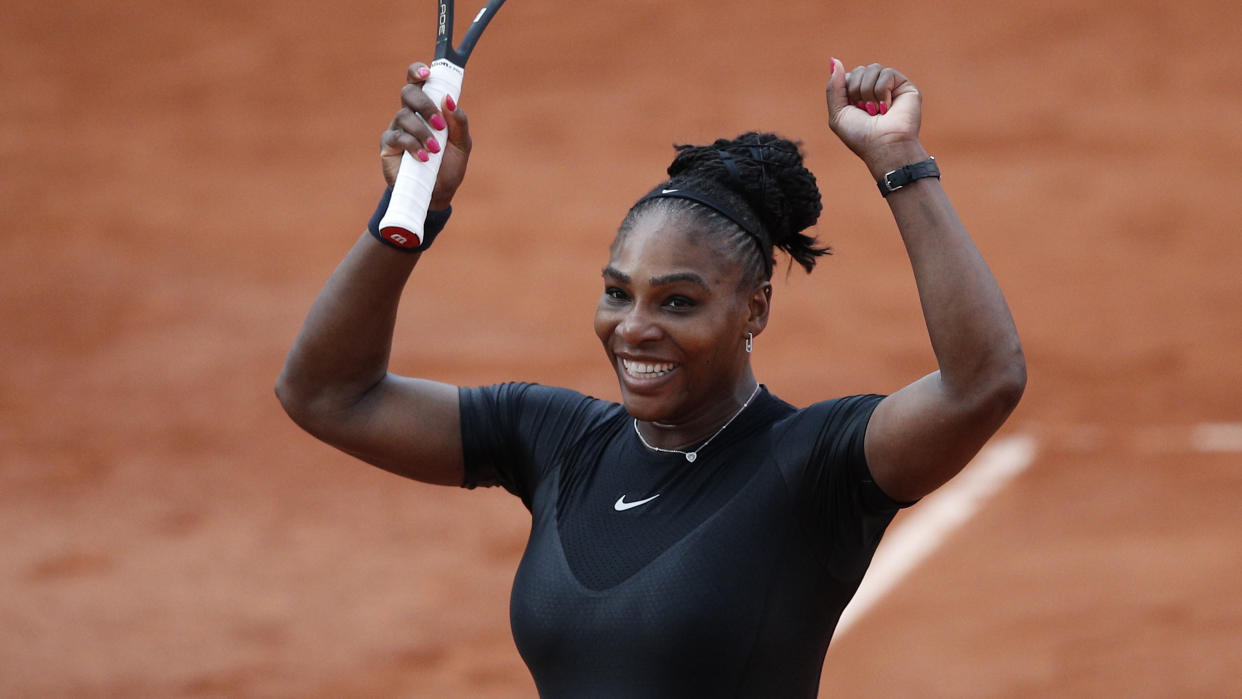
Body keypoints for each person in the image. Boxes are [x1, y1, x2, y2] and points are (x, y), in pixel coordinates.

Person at [276, 57, 1025, 697]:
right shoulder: (557, 440)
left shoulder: (813, 464)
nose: (634, 326)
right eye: (616, 291)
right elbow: (326, 393)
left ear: (754, 310)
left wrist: (899, 161)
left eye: (677, 301)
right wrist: (409, 214)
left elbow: (981, 383)